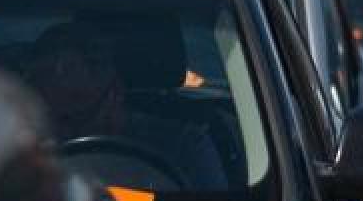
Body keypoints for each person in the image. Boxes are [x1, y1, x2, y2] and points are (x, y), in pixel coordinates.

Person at [24, 20, 225, 190]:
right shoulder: (19, 154)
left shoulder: (184, 147)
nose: (59, 134)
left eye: (72, 118)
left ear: (114, 95)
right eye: (44, 119)